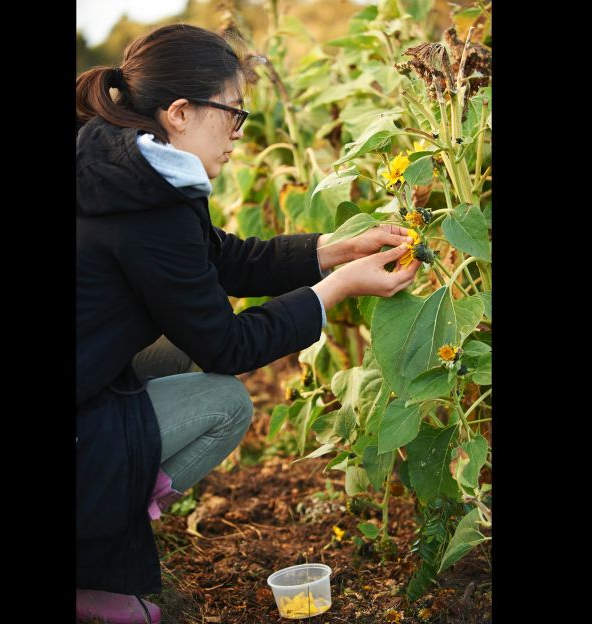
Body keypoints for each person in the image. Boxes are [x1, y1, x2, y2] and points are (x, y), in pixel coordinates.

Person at [75, 23, 420, 624]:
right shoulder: (147, 205)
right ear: (180, 112)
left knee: (169, 350)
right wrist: (335, 290)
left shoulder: (119, 164)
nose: (239, 134)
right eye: (233, 115)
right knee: (225, 403)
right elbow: (226, 345)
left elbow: (217, 258)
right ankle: (95, 542)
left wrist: (332, 249)